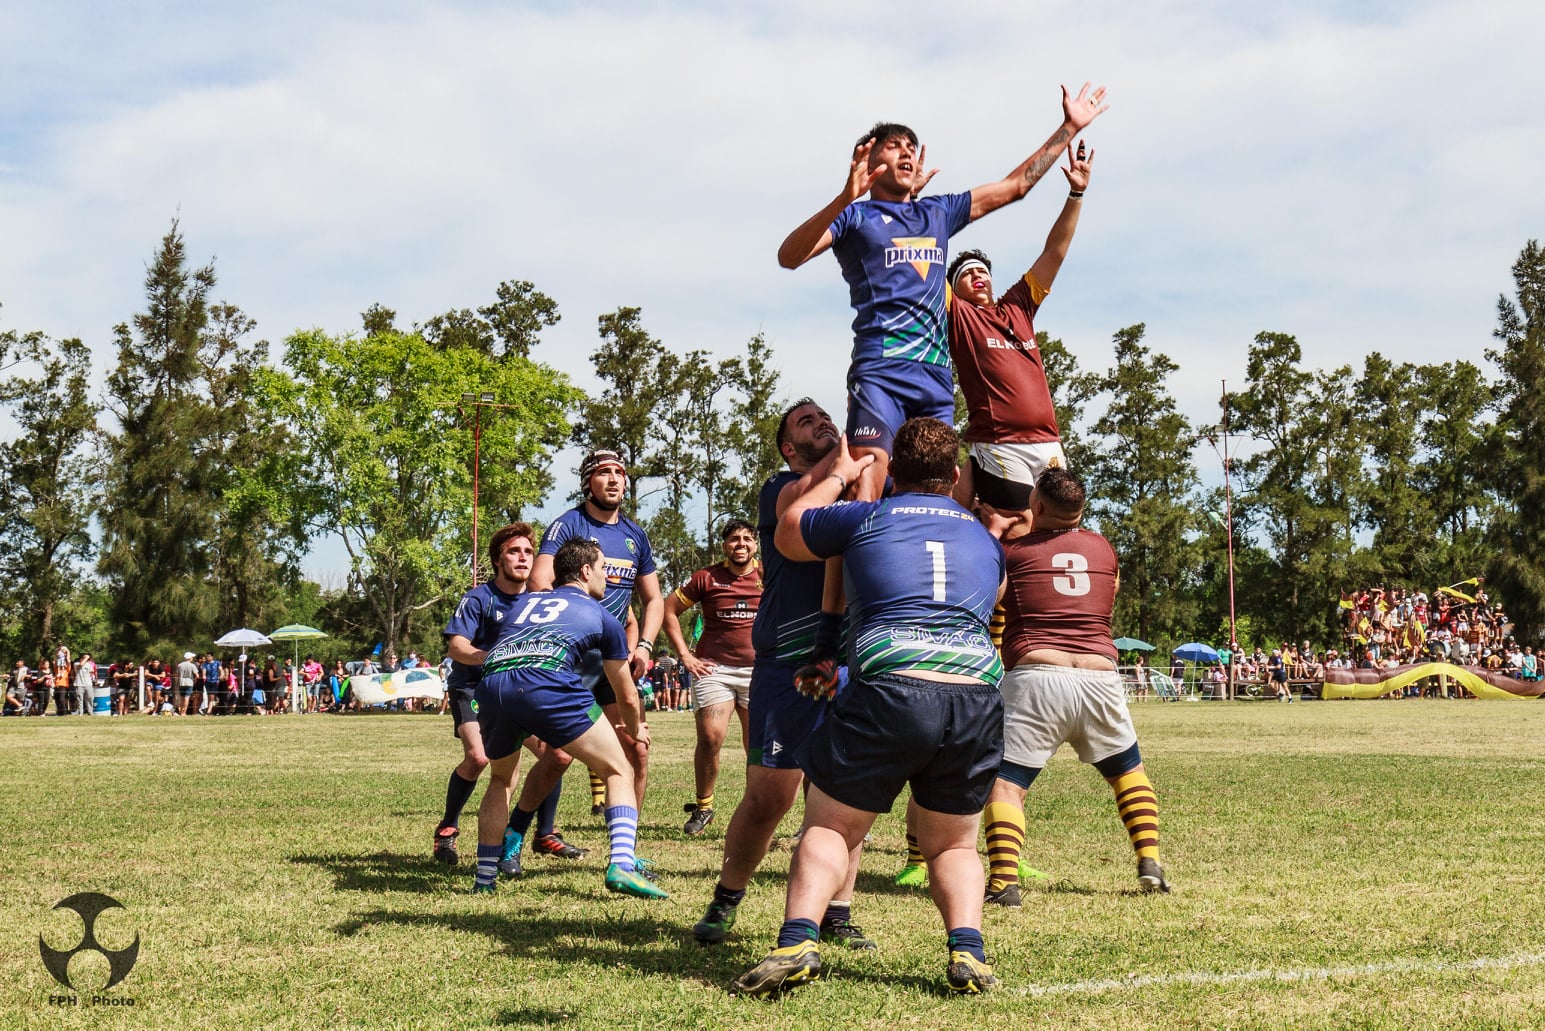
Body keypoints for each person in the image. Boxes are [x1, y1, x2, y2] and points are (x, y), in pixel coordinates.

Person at [734, 417, 1007, 997]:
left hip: (892, 683)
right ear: (954, 476)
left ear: (893, 474)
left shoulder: (869, 514)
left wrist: (840, 474)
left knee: (830, 825)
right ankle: (968, 952)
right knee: (955, 843)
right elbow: (995, 592)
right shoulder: (985, 537)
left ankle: (798, 941)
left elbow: (788, 531)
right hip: (976, 693)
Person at [691, 400, 877, 953]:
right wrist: (843, 472)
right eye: (805, 421)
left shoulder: (859, 483)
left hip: (847, 661)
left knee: (842, 792)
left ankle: (837, 911)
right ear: (789, 448)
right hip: (791, 665)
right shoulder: (782, 487)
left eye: (824, 415)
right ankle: (726, 899)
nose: (821, 421)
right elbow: (802, 514)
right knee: (770, 796)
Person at [976, 468, 1171, 909]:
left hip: (1038, 675)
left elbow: (993, 597)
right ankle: (1150, 862)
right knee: (1127, 772)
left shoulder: (1011, 553)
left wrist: (991, 535)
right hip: (1100, 675)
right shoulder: (1103, 548)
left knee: (1007, 784)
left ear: (1037, 507)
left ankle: (1005, 882)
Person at [498, 450, 665, 871]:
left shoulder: (635, 535)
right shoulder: (568, 524)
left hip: (612, 658)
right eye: (604, 473)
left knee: (635, 752)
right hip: (569, 656)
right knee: (558, 756)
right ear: (588, 481)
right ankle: (517, 834)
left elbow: (654, 599)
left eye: (620, 474)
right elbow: (539, 582)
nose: (614, 480)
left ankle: (624, 852)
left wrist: (643, 645)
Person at [472, 538, 666, 900]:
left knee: (500, 779)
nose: (608, 577)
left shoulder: (524, 602)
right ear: (585, 571)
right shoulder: (604, 616)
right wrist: (635, 728)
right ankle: (622, 864)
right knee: (619, 769)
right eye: (604, 568)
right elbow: (624, 692)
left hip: (494, 681)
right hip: (546, 681)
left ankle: (484, 878)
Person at [946, 138, 1094, 510]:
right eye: (967, 274)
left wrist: (1076, 193)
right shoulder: (959, 316)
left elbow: (1055, 251)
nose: (978, 276)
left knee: (1062, 525)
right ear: (954, 289)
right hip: (1001, 443)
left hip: (1049, 443)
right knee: (1015, 524)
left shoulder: (1018, 305)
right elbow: (924, 263)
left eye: (982, 271)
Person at [432, 522, 537, 866]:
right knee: (478, 758)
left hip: (518, 688)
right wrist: (486, 657)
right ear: (497, 559)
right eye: (513, 551)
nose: (522, 557)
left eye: (528, 552)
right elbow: (456, 646)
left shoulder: (539, 602)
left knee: (555, 754)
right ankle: (447, 829)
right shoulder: (478, 598)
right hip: (473, 686)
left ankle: (539, 833)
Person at [663, 518, 762, 836]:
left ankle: (753, 812)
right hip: (713, 671)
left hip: (759, 672)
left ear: (756, 545)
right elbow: (668, 610)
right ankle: (704, 808)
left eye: (747, 538)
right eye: (734, 539)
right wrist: (685, 656)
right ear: (724, 545)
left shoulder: (768, 575)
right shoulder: (706, 578)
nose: (741, 544)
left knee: (756, 745)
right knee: (710, 737)